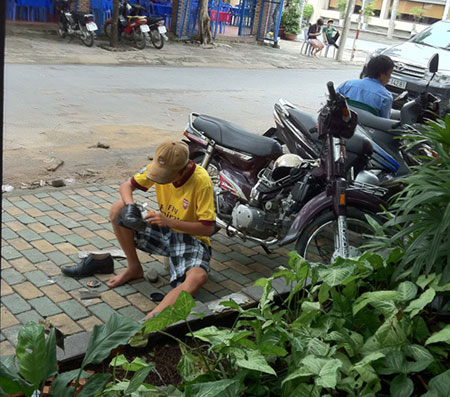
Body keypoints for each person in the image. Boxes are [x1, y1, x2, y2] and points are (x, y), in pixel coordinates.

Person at [107, 140, 216, 319]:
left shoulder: (201, 181)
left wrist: (170, 222)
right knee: (118, 208)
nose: (161, 180)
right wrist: (130, 208)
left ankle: (151, 319)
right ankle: (134, 268)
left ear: (183, 169)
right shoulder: (159, 165)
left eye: (167, 177)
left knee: (197, 277)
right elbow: (126, 186)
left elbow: (208, 229)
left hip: (190, 238)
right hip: (162, 227)